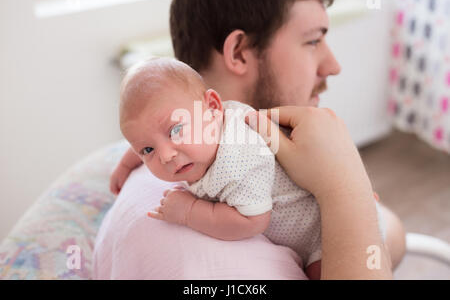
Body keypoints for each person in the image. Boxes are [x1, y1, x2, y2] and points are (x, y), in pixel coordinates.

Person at [94, 0, 405, 279]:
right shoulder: (214, 239)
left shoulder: (226, 127)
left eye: (175, 131)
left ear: (213, 106)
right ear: (239, 51)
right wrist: (346, 191)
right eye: (312, 40)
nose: (333, 66)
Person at [117, 57, 388, 280]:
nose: (165, 155)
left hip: (325, 234)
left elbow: (253, 220)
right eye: (148, 150)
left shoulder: (237, 161)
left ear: (213, 107)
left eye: (176, 130)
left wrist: (189, 212)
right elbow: (150, 132)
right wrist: (130, 159)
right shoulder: (208, 125)